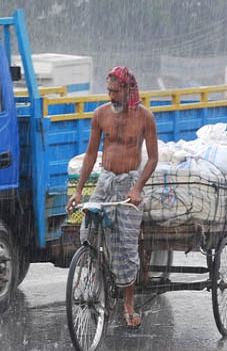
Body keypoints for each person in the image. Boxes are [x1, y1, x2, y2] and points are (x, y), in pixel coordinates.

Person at [67, 66, 158, 328]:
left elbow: (152, 158)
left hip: (130, 183)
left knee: (126, 247)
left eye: (116, 92)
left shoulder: (145, 118)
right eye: (108, 91)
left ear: (129, 90)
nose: (111, 96)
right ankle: (97, 279)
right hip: (105, 182)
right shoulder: (100, 115)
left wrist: (138, 188)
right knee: (88, 232)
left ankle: (128, 303)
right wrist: (79, 190)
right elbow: (90, 154)